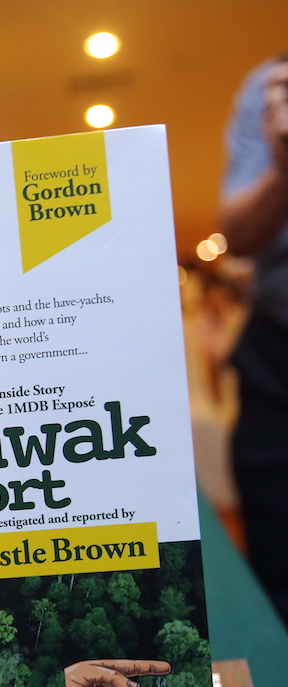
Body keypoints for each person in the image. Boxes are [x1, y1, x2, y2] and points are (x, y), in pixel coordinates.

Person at [220, 54, 288, 624]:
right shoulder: (270, 85)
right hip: (276, 352)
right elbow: (237, 232)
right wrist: (284, 165)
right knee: (276, 553)